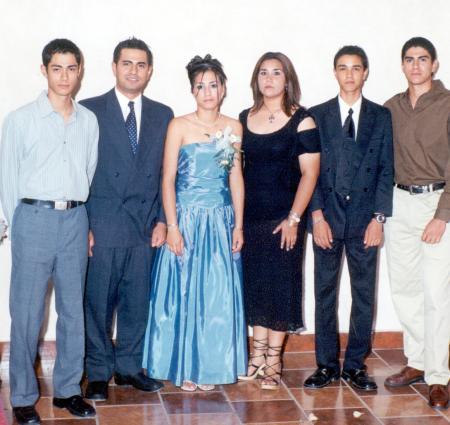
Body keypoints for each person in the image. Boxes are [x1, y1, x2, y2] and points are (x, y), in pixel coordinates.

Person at [0, 38, 98, 424]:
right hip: (33, 220)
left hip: (75, 219)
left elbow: (87, 172)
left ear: (79, 71)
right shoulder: (20, 120)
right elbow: (7, 179)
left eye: (71, 68)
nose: (64, 76)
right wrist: (18, 222)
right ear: (44, 71)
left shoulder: (88, 121)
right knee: (26, 312)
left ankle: (69, 390)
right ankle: (23, 395)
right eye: (56, 68)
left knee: (73, 310)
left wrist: (77, 212)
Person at [143, 55, 247, 391]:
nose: (207, 91)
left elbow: (235, 178)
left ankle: (212, 367)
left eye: (213, 85)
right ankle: (186, 366)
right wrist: (172, 225)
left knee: (216, 296)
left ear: (224, 88)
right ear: (192, 90)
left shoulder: (233, 127)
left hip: (219, 219)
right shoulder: (179, 126)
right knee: (185, 291)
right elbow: (168, 178)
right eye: (200, 86)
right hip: (186, 218)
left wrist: (238, 225)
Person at [81, 38, 173, 401]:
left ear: (150, 70)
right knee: (97, 303)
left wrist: (164, 220)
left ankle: (130, 367)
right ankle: (99, 372)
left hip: (145, 224)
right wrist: (83, 224)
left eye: (141, 65)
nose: (133, 70)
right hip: (101, 223)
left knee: (138, 302)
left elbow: (170, 173)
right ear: (114, 67)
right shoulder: (89, 110)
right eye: (126, 64)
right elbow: (79, 172)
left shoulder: (163, 114)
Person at [303, 45, 393, 392]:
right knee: (324, 292)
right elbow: (309, 172)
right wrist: (317, 216)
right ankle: (325, 365)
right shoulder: (317, 115)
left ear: (366, 72)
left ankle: (355, 365)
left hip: (364, 220)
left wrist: (379, 218)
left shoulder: (380, 116)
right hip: (327, 218)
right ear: (335, 72)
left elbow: (386, 170)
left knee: (363, 294)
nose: (350, 74)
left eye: (356, 68)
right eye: (343, 68)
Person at [238, 52, 320, 390]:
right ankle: (256, 359)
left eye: (276, 72)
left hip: (284, 220)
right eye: (263, 72)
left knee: (280, 291)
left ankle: (274, 362)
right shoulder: (244, 118)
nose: (269, 78)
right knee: (256, 290)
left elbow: (310, 173)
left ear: (287, 79)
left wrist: (294, 218)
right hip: (251, 219)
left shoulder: (303, 120)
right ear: (256, 79)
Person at [383, 37, 450, 410]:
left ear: (435, 65)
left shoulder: (448, 103)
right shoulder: (391, 107)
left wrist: (443, 215)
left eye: (423, 59)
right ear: (402, 64)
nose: (416, 66)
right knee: (405, 288)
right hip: (399, 201)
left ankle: (439, 376)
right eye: (409, 59)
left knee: (437, 294)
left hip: (436, 202)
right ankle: (418, 361)